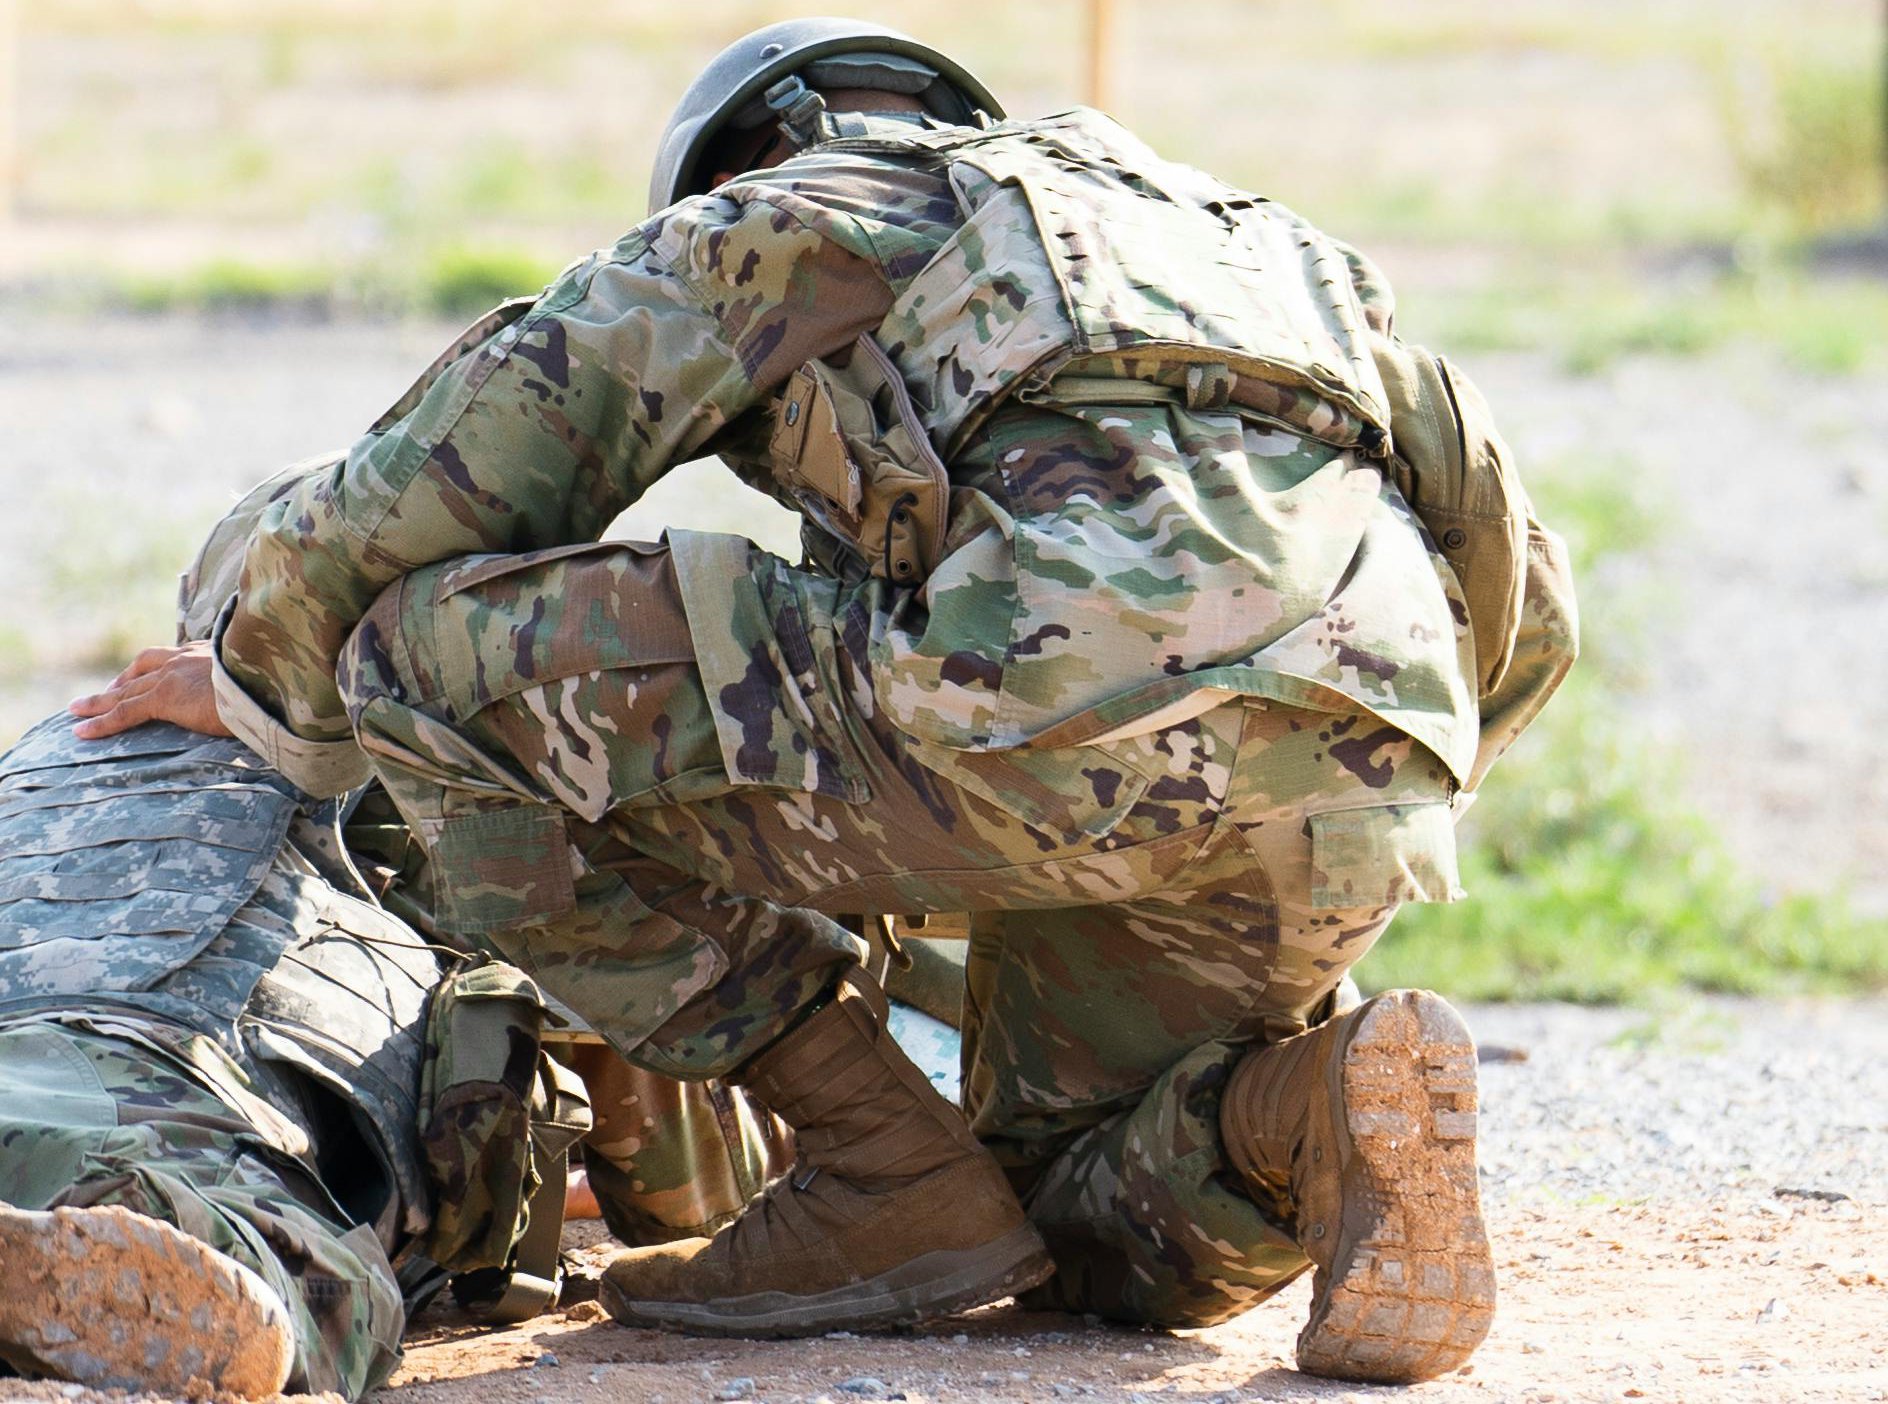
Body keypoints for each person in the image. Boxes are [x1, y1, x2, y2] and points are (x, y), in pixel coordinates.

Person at [74, 17, 1578, 1384]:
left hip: (1033, 712)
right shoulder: (1279, 256)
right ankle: (1315, 1101)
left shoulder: (804, 210)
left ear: (748, 151)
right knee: (1080, 1221)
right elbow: (1530, 608)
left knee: (413, 663)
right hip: (1363, 762)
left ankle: (872, 1160)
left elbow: (454, 469)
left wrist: (277, 683)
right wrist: (1295, 789)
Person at [1, 464, 794, 1400]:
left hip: (25, 1052)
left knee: (48, 1146)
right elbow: (684, 1190)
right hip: (219, 1078)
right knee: (270, 1261)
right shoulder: (445, 754)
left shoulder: (61, 741)